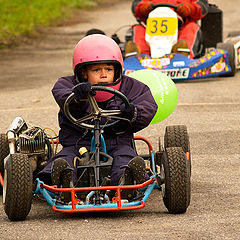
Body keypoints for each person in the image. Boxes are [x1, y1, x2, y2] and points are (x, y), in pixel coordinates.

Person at [38, 34, 158, 202]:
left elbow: (148, 105)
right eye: (96, 70)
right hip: (79, 144)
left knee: (125, 158)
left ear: (117, 69)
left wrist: (132, 112)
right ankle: (65, 183)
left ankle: (125, 183)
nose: (103, 75)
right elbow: (61, 93)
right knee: (65, 159)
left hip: (116, 142)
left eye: (108, 69)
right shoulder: (68, 85)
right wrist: (78, 97)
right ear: (83, 72)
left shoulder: (130, 86)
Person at [130, 0, 209, 58]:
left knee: (192, 28)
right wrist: (142, 8)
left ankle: (181, 56)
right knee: (138, 29)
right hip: (151, 28)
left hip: (180, 27)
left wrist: (190, 9)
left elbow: (202, 7)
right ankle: (140, 58)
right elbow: (136, 6)